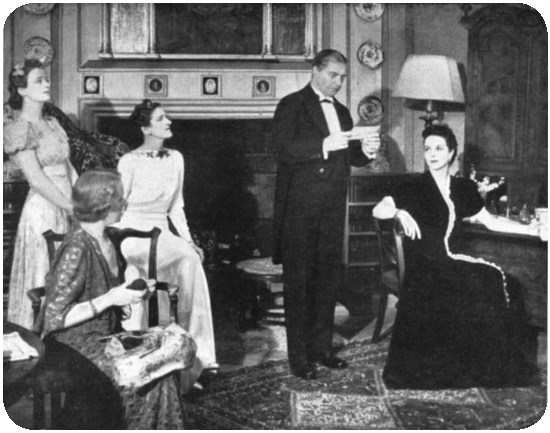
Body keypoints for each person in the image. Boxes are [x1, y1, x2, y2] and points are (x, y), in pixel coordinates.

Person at [373, 123, 539, 389]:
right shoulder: (413, 186)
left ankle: (484, 365)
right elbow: (378, 209)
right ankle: (452, 365)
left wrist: (530, 229)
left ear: (451, 153)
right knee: (475, 283)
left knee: (499, 280)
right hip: (423, 265)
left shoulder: (463, 188)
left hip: (448, 259)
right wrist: (398, 212)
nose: (432, 154)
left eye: (439, 148)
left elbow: (491, 222)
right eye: (428, 149)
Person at [37, 169, 188, 429]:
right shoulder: (77, 247)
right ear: (103, 205)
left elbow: (109, 292)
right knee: (147, 374)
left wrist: (132, 292)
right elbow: (54, 317)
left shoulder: (106, 239)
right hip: (72, 345)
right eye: (120, 199)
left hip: (105, 336)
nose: (125, 203)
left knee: (163, 366)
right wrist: (111, 298)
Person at [272, 49, 380, 379]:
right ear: (315, 71)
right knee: (299, 285)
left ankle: (321, 349)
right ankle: (299, 358)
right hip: (300, 210)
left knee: (326, 282)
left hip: (333, 210)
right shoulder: (292, 105)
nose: (338, 82)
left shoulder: (343, 112)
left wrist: (366, 152)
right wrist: (322, 146)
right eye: (332, 75)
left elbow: (351, 157)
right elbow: (280, 149)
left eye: (342, 77)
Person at [116, 99, 218, 378]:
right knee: (182, 261)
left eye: (166, 117)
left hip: (162, 232)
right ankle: (151, 349)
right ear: (146, 128)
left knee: (191, 259)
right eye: (161, 118)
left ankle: (197, 353)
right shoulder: (129, 161)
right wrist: (113, 241)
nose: (169, 121)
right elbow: (119, 206)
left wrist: (189, 241)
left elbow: (176, 208)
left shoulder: (176, 158)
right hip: (133, 233)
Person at [4, 59, 78, 329]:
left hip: (68, 204)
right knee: (44, 274)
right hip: (44, 209)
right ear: (22, 90)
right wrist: (69, 206)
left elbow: (68, 168)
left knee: (68, 275)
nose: (47, 84)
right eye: (39, 80)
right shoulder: (19, 127)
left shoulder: (52, 123)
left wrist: (81, 202)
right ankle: (38, 336)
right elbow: (36, 178)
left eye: (46, 79)